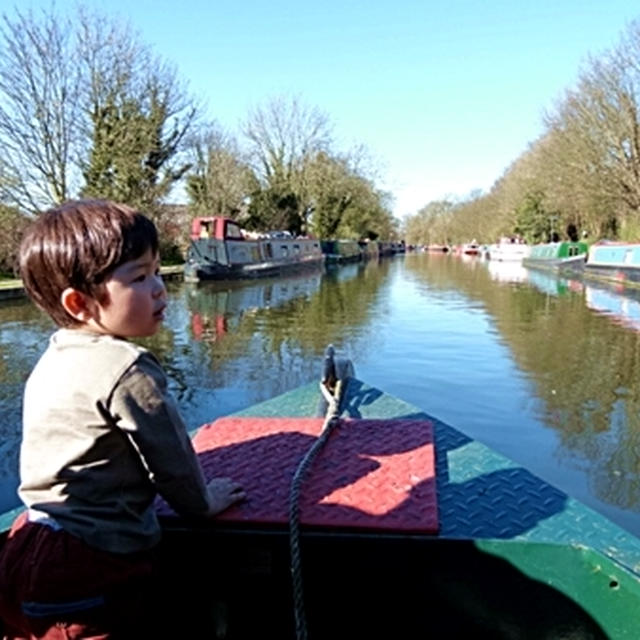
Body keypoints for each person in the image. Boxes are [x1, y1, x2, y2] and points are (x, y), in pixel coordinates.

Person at [0, 200, 245, 638]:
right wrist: (204, 503)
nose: (160, 289)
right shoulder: (129, 367)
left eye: (156, 271)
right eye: (139, 276)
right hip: (92, 562)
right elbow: (172, 463)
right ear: (79, 303)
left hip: (27, 544)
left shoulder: (53, 357)